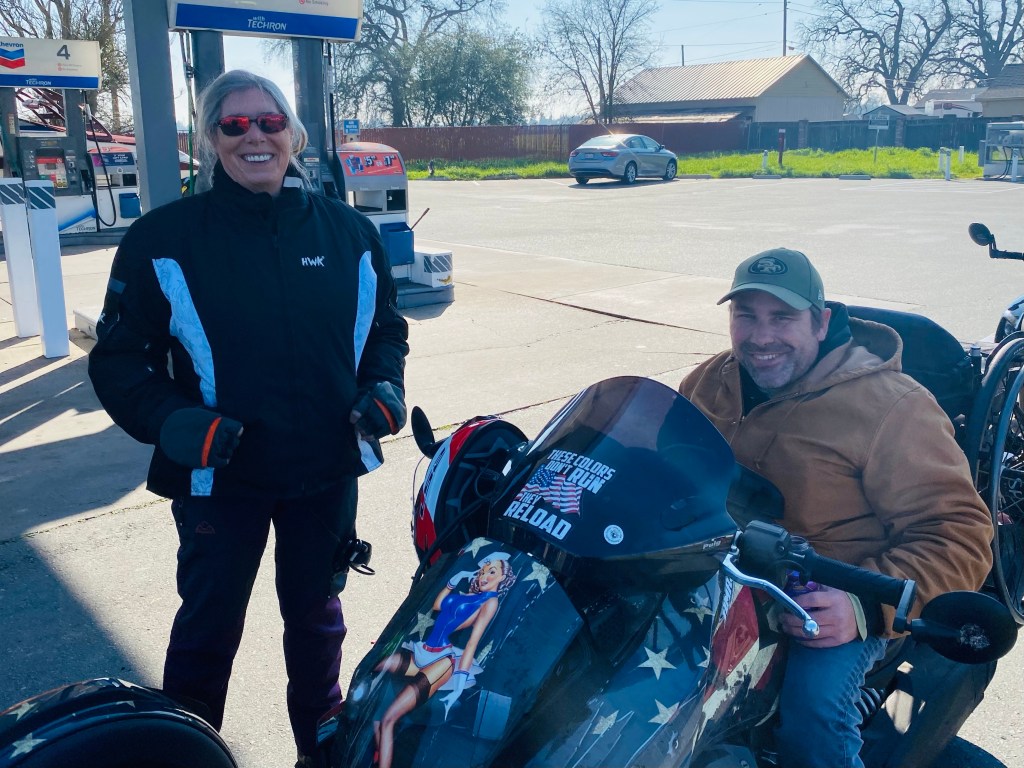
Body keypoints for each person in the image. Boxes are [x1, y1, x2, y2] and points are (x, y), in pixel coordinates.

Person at [88, 69, 410, 766]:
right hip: (219, 478)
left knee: (318, 627)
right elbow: (118, 361)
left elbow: (387, 329)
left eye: (269, 121)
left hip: (325, 470)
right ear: (210, 139)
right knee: (206, 633)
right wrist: (174, 423)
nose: (254, 136)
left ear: (293, 133)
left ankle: (320, 753)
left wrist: (384, 386)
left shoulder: (351, 233)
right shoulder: (163, 238)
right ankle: (182, 755)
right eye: (233, 125)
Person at [678, 247, 993, 768]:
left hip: (832, 593)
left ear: (821, 322)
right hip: (716, 572)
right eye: (745, 315)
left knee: (814, 713)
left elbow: (959, 532)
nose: (760, 337)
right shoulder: (712, 379)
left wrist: (864, 606)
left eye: (782, 317)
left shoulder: (893, 406)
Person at [372, 553, 516, 768]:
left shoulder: (490, 602)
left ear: (503, 577)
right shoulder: (469, 594)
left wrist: (458, 688)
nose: (484, 576)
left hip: (441, 661)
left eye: (492, 572)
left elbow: (472, 643)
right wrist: (455, 579)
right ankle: (378, 757)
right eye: (483, 571)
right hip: (423, 652)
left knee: (388, 719)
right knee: (379, 674)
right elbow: (438, 605)